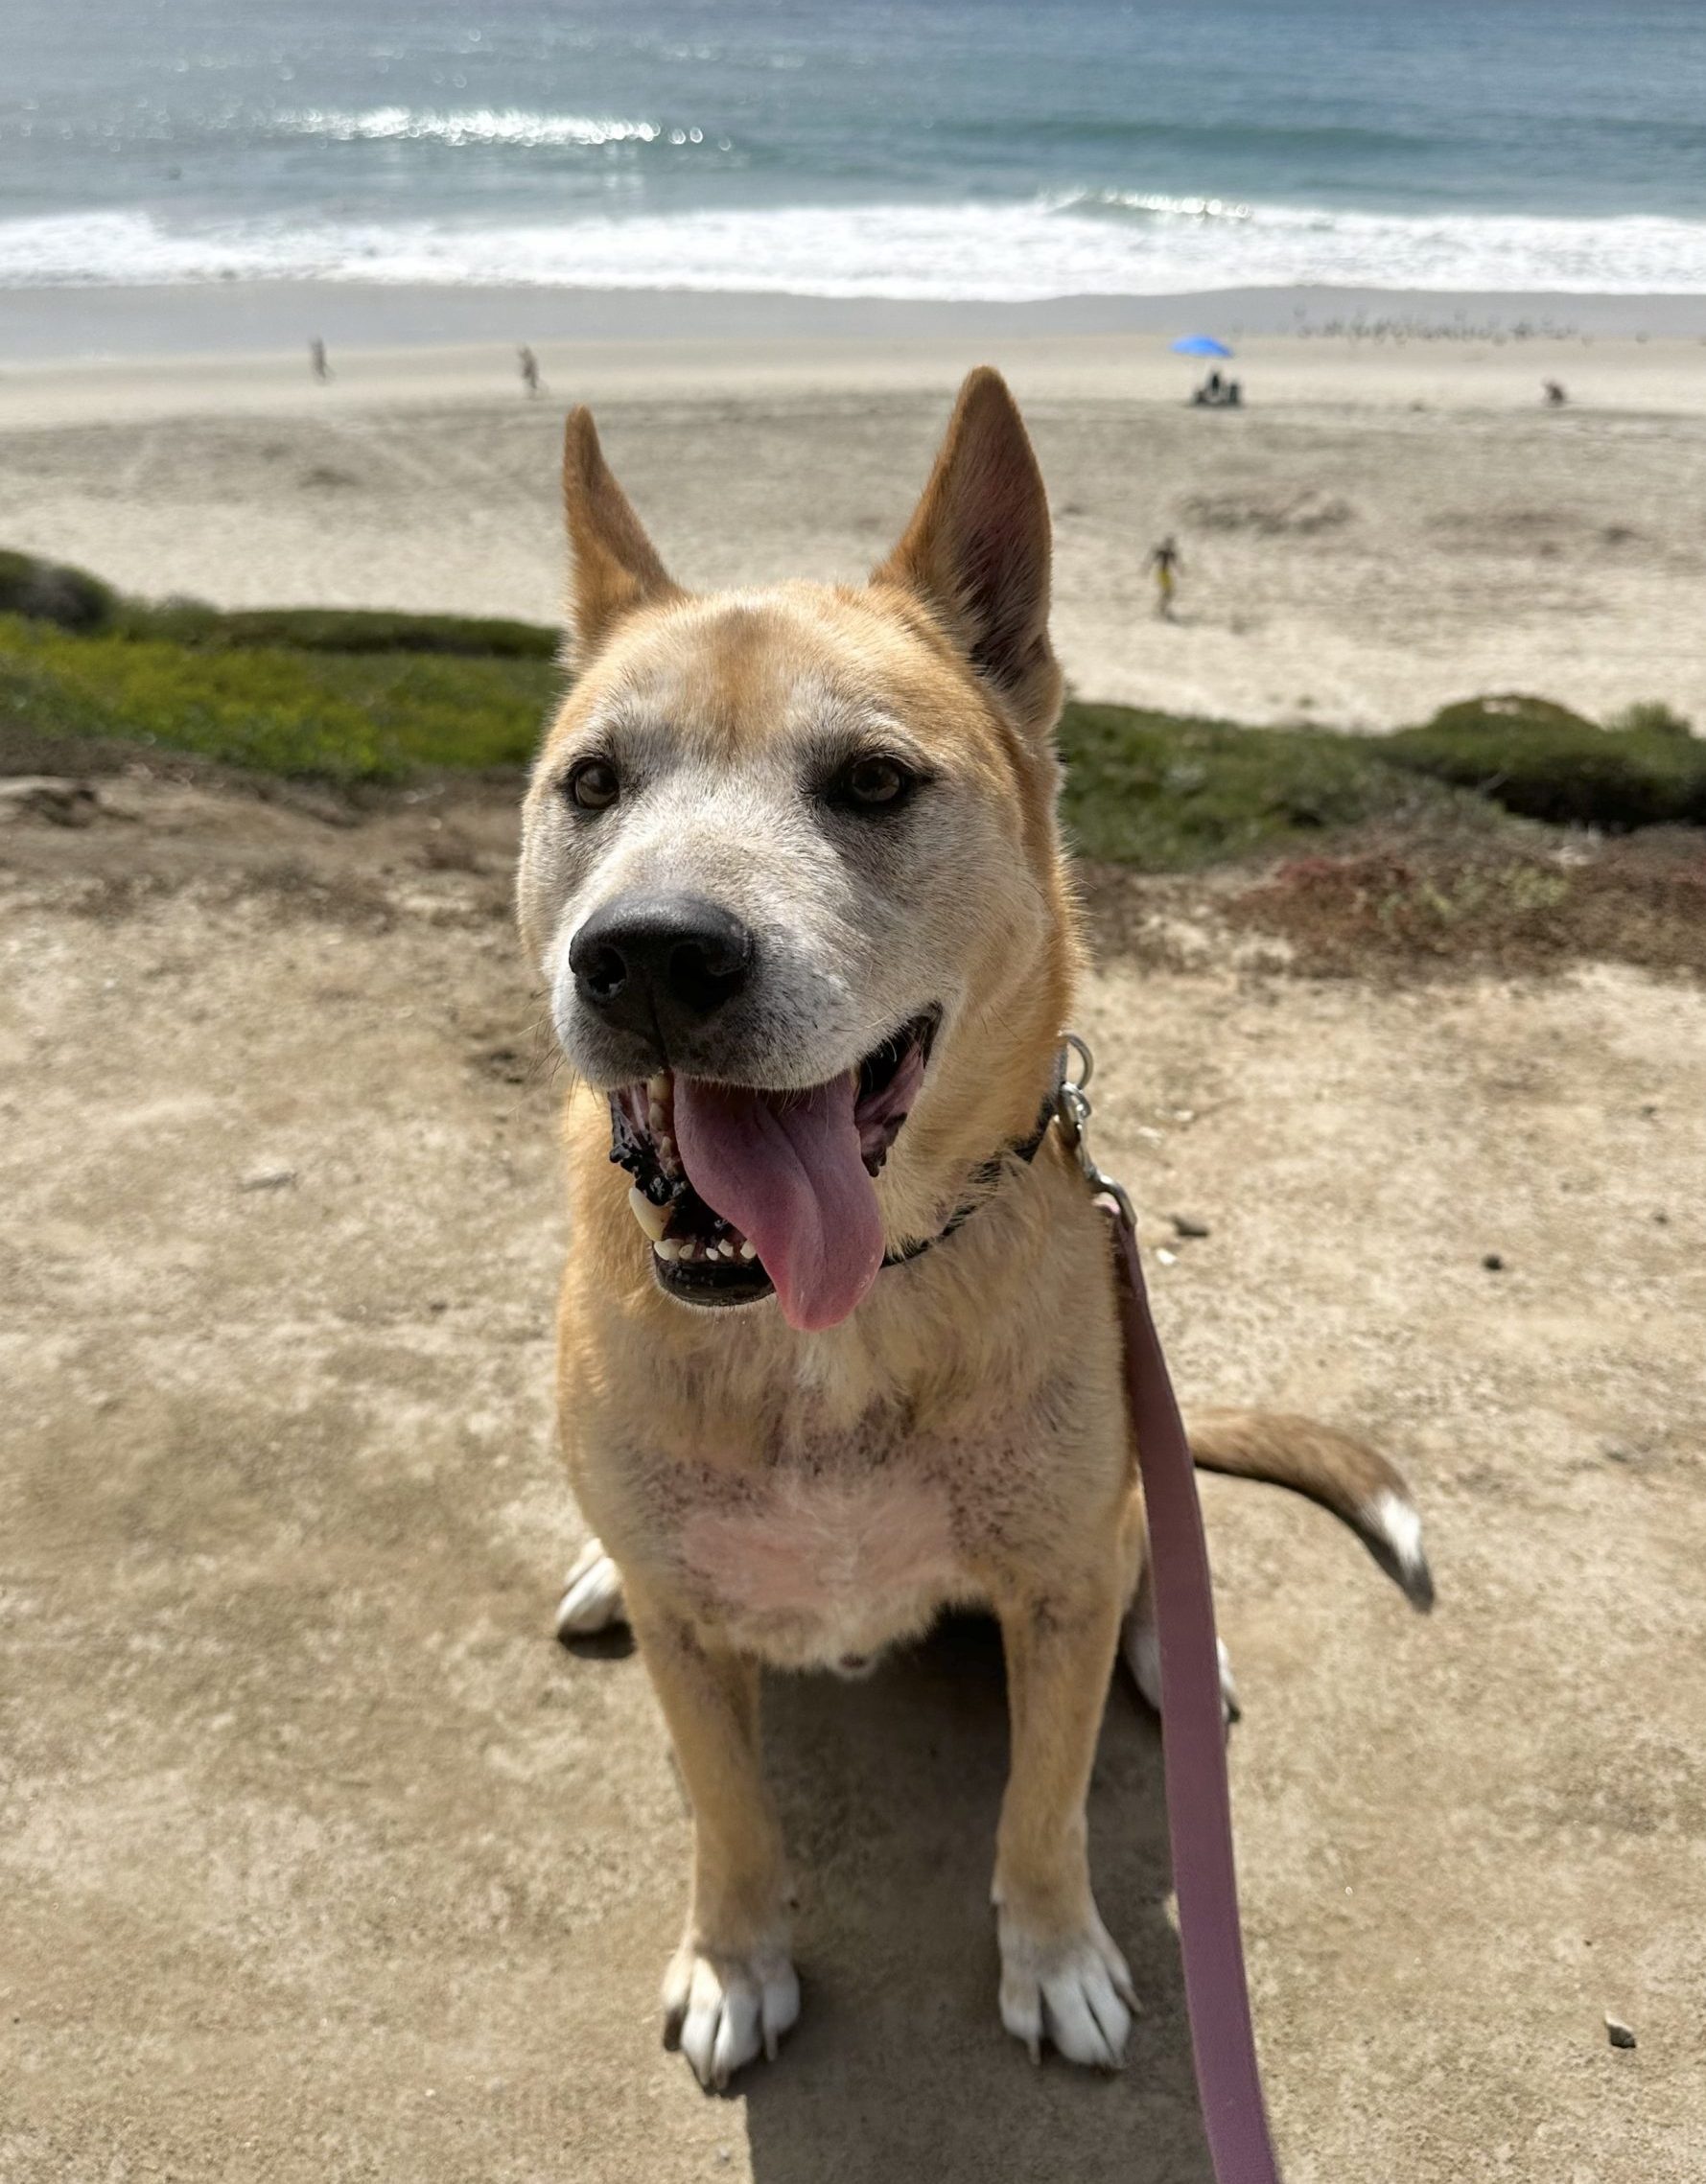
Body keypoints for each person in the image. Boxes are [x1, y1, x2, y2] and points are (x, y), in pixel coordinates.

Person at [1146, 534, 1184, 620]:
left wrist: (1181, 570)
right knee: (1168, 592)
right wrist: (1146, 568)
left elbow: (1176, 563)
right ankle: (1161, 610)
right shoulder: (1163, 552)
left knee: (1169, 592)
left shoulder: (1170, 553)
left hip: (1165, 573)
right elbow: (1151, 559)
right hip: (1162, 573)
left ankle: (1162, 609)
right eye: (1169, 543)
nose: (1170, 545)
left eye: (1171, 543)